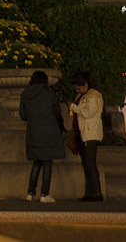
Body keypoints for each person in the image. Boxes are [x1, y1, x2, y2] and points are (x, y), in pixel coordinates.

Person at [19, 71, 66, 203]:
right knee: (47, 163)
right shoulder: (49, 95)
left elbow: (23, 115)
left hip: (33, 132)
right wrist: (61, 128)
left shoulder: (25, 94)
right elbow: (57, 113)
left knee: (36, 163)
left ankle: (30, 192)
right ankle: (44, 193)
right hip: (49, 132)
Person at [69, 71, 104, 202]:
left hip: (90, 134)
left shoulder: (93, 96)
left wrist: (72, 107)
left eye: (78, 86)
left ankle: (96, 192)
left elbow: (88, 112)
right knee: (86, 163)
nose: (77, 89)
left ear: (86, 84)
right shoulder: (83, 95)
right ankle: (90, 192)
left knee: (90, 164)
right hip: (82, 133)